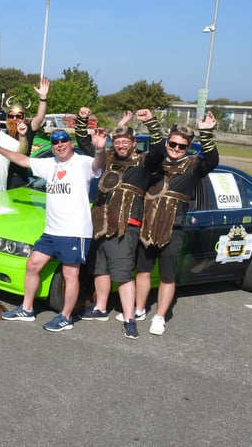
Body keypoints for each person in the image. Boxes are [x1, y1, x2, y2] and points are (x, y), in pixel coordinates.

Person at [0, 128, 107, 332]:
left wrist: (100, 149)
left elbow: (98, 164)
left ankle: (65, 317)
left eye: (64, 141)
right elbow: (22, 160)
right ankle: (27, 309)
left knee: (70, 273)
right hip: (51, 230)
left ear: (71, 143)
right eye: (55, 142)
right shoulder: (51, 164)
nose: (59, 145)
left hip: (74, 230)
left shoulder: (82, 162)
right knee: (32, 265)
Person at [74, 108, 165, 339]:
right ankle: (101, 308)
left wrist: (151, 122)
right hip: (100, 223)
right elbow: (84, 143)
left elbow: (159, 150)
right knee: (100, 269)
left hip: (126, 226)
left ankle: (129, 318)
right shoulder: (108, 158)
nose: (121, 146)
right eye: (118, 142)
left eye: (126, 142)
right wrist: (83, 118)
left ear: (134, 143)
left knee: (123, 274)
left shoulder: (144, 163)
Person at [136, 113, 218, 336]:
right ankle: (139, 309)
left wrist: (207, 133)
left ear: (188, 147)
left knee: (166, 276)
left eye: (182, 146)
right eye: (172, 144)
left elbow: (212, 161)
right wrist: (152, 123)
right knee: (142, 271)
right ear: (166, 143)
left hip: (174, 228)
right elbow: (154, 153)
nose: (176, 148)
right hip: (148, 227)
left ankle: (160, 317)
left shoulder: (194, 165)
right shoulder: (155, 164)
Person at [6, 78, 49, 189]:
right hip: (2, 175)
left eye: (18, 116)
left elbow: (39, 118)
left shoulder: (29, 128)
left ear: (24, 117)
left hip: (18, 177)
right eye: (11, 116)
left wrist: (43, 98)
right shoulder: (4, 133)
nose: (15, 119)